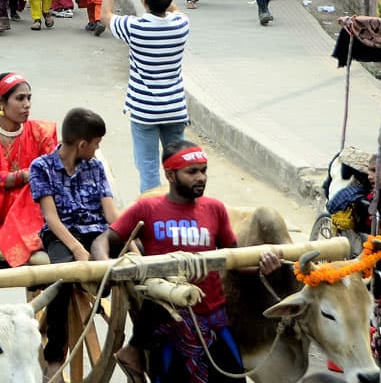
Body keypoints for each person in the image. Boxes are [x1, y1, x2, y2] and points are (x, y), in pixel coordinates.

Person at [91, 139, 280, 383]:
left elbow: (234, 261)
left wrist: (263, 268)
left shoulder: (215, 209)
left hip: (214, 321)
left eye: (203, 171)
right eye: (192, 172)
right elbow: (102, 241)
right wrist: (106, 267)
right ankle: (135, 349)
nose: (201, 177)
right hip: (169, 321)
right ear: (170, 175)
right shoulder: (147, 209)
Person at [30, 107, 116, 381]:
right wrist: (77, 250)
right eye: (96, 144)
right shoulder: (41, 167)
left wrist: (131, 245)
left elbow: (111, 214)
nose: (97, 149)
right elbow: (51, 219)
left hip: (97, 234)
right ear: (82, 144)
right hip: (61, 235)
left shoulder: (95, 166)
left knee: (134, 266)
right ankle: (55, 356)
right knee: (62, 276)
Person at [99, 0, 189, 193]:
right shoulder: (181, 25)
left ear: (144, 3)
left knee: (148, 167)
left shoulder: (135, 27)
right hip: (175, 109)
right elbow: (174, 8)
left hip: (144, 110)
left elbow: (105, 16)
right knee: (178, 164)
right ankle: (181, 210)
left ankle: (153, 216)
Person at [0, 72, 57, 268]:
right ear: (1, 102)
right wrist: (28, 175)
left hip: (30, 198)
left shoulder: (39, 131)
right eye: (20, 98)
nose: (27, 104)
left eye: (29, 98)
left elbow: (53, 168)